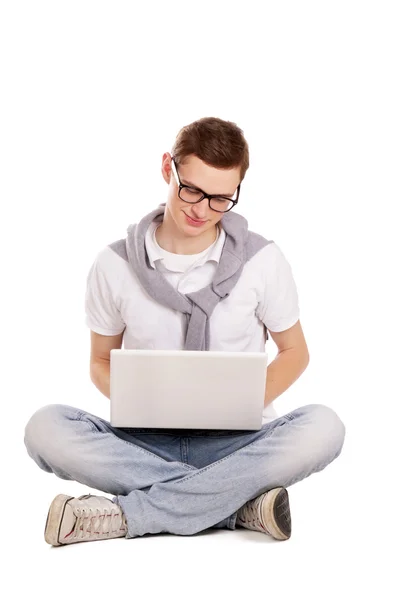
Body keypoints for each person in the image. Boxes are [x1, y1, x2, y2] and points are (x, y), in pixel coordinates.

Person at [24, 116, 345, 547]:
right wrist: (137, 399)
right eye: (191, 189)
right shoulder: (113, 265)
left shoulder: (262, 261)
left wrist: (240, 404)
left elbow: (295, 352)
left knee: (325, 427)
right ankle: (236, 503)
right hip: (141, 447)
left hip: (239, 443)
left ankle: (124, 515)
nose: (201, 209)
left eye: (220, 199)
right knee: (44, 429)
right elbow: (100, 361)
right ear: (166, 169)